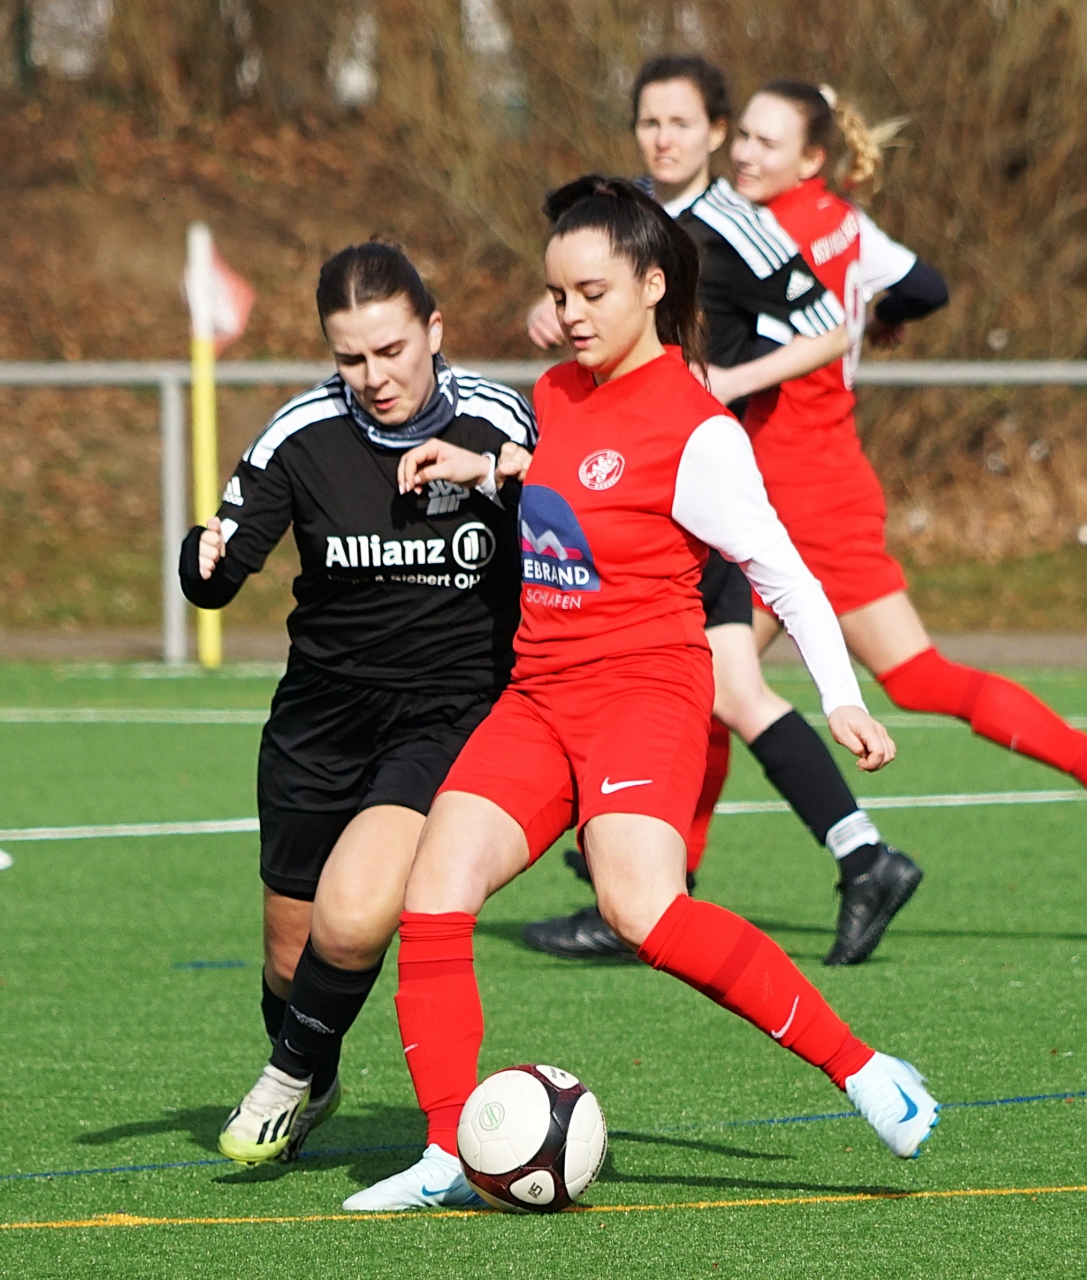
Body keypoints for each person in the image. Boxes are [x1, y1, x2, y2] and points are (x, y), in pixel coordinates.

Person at [340, 177, 938, 1213]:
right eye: (557, 294)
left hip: (644, 693)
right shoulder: (556, 392)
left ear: (652, 286)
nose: (571, 314)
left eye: (592, 292)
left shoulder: (700, 430)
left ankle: (864, 1069)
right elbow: (567, 478)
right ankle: (445, 1151)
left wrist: (840, 695)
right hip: (539, 694)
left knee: (641, 910)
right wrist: (482, 469)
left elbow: (785, 572)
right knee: (434, 890)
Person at [523, 55, 923, 968]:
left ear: (714, 132)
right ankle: (844, 859)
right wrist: (559, 316)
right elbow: (582, 306)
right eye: (648, 122)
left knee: (721, 693)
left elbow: (832, 325)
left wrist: (729, 382)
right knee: (721, 695)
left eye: (681, 123)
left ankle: (833, 861)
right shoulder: (623, 216)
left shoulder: (739, 224)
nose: (662, 138)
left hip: (683, 494)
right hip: (626, 494)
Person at [721, 80, 1087, 880]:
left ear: (811, 159)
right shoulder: (842, 220)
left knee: (724, 684)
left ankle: (674, 879)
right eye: (742, 136)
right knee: (721, 685)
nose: (744, 153)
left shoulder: (765, 235)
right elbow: (927, 287)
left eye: (766, 142)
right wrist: (881, 316)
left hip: (802, 494)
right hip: (810, 480)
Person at [178, 240, 535, 1165]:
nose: (375, 377)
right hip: (321, 717)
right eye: (351, 358)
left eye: (391, 350)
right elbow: (222, 567)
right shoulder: (300, 433)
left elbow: (568, 507)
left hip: (449, 712)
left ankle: (281, 1079)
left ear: (434, 331)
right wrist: (201, 560)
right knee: (289, 957)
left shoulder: (498, 420)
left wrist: (501, 473)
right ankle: (316, 1072)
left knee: (357, 911)